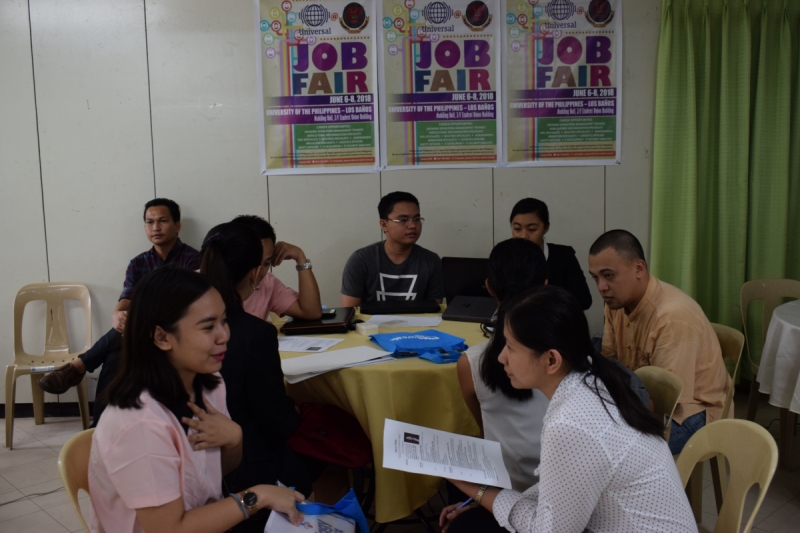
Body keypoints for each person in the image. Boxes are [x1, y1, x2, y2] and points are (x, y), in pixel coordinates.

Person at [440, 286, 697, 533]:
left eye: (511, 347)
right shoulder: (593, 379)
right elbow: (562, 489)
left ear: (551, 359)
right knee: (474, 522)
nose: (501, 357)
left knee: (469, 526)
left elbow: (549, 529)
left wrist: (479, 491)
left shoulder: (571, 423)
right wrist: (487, 501)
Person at [89, 267, 304, 533]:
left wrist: (234, 438)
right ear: (162, 337)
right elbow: (169, 530)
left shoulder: (210, 385)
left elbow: (212, 475)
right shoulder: (140, 423)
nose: (224, 335)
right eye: (208, 327)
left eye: (224, 321)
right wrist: (257, 497)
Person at [199, 222, 321, 530]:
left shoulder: (183, 320)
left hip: (193, 449)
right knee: (324, 441)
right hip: (239, 463)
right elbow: (276, 423)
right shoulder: (253, 334)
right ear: (256, 273)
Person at [38, 199, 200, 419]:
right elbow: (127, 298)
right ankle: (98, 426)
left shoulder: (192, 259)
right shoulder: (138, 263)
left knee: (133, 329)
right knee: (114, 357)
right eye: (150, 222)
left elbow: (185, 304)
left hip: (174, 331)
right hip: (141, 335)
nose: (156, 227)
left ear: (177, 225)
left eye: (162, 221)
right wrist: (117, 314)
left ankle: (78, 367)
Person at [588, 229, 730, 454]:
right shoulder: (614, 304)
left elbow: (665, 404)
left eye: (609, 275)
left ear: (639, 269)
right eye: (595, 277)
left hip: (692, 412)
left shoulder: (673, 318)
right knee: (586, 432)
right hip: (642, 399)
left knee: (613, 453)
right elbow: (609, 364)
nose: (601, 287)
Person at [456, 238, 550, 492]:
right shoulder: (571, 356)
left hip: (508, 492)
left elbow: (484, 427)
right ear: (545, 285)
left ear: (489, 287)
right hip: (568, 487)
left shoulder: (472, 363)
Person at [341, 191, 445, 305]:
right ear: (384, 225)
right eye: (403, 220)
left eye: (416, 219)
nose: (413, 225)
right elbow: (350, 312)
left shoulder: (431, 261)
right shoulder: (361, 260)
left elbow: (435, 312)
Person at [231, 215, 322, 321]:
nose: (259, 272)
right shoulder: (213, 289)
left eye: (266, 264)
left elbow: (311, 312)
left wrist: (300, 257)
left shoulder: (268, 283)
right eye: (253, 263)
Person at [509, 198, 593, 310]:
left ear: (546, 228)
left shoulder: (564, 256)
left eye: (532, 229)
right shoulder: (505, 257)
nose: (524, 236)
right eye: (517, 228)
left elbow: (583, 300)